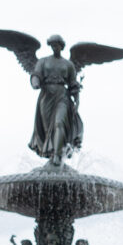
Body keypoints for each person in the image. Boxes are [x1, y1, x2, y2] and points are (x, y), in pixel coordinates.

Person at [29, 35, 83, 167]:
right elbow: (36, 74)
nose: (54, 47)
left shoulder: (68, 65)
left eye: (57, 44)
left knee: (59, 123)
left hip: (62, 96)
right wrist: (35, 83)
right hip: (46, 96)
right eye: (52, 45)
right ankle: (53, 153)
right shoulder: (43, 61)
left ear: (61, 46)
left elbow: (73, 84)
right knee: (48, 129)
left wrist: (77, 101)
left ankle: (58, 155)